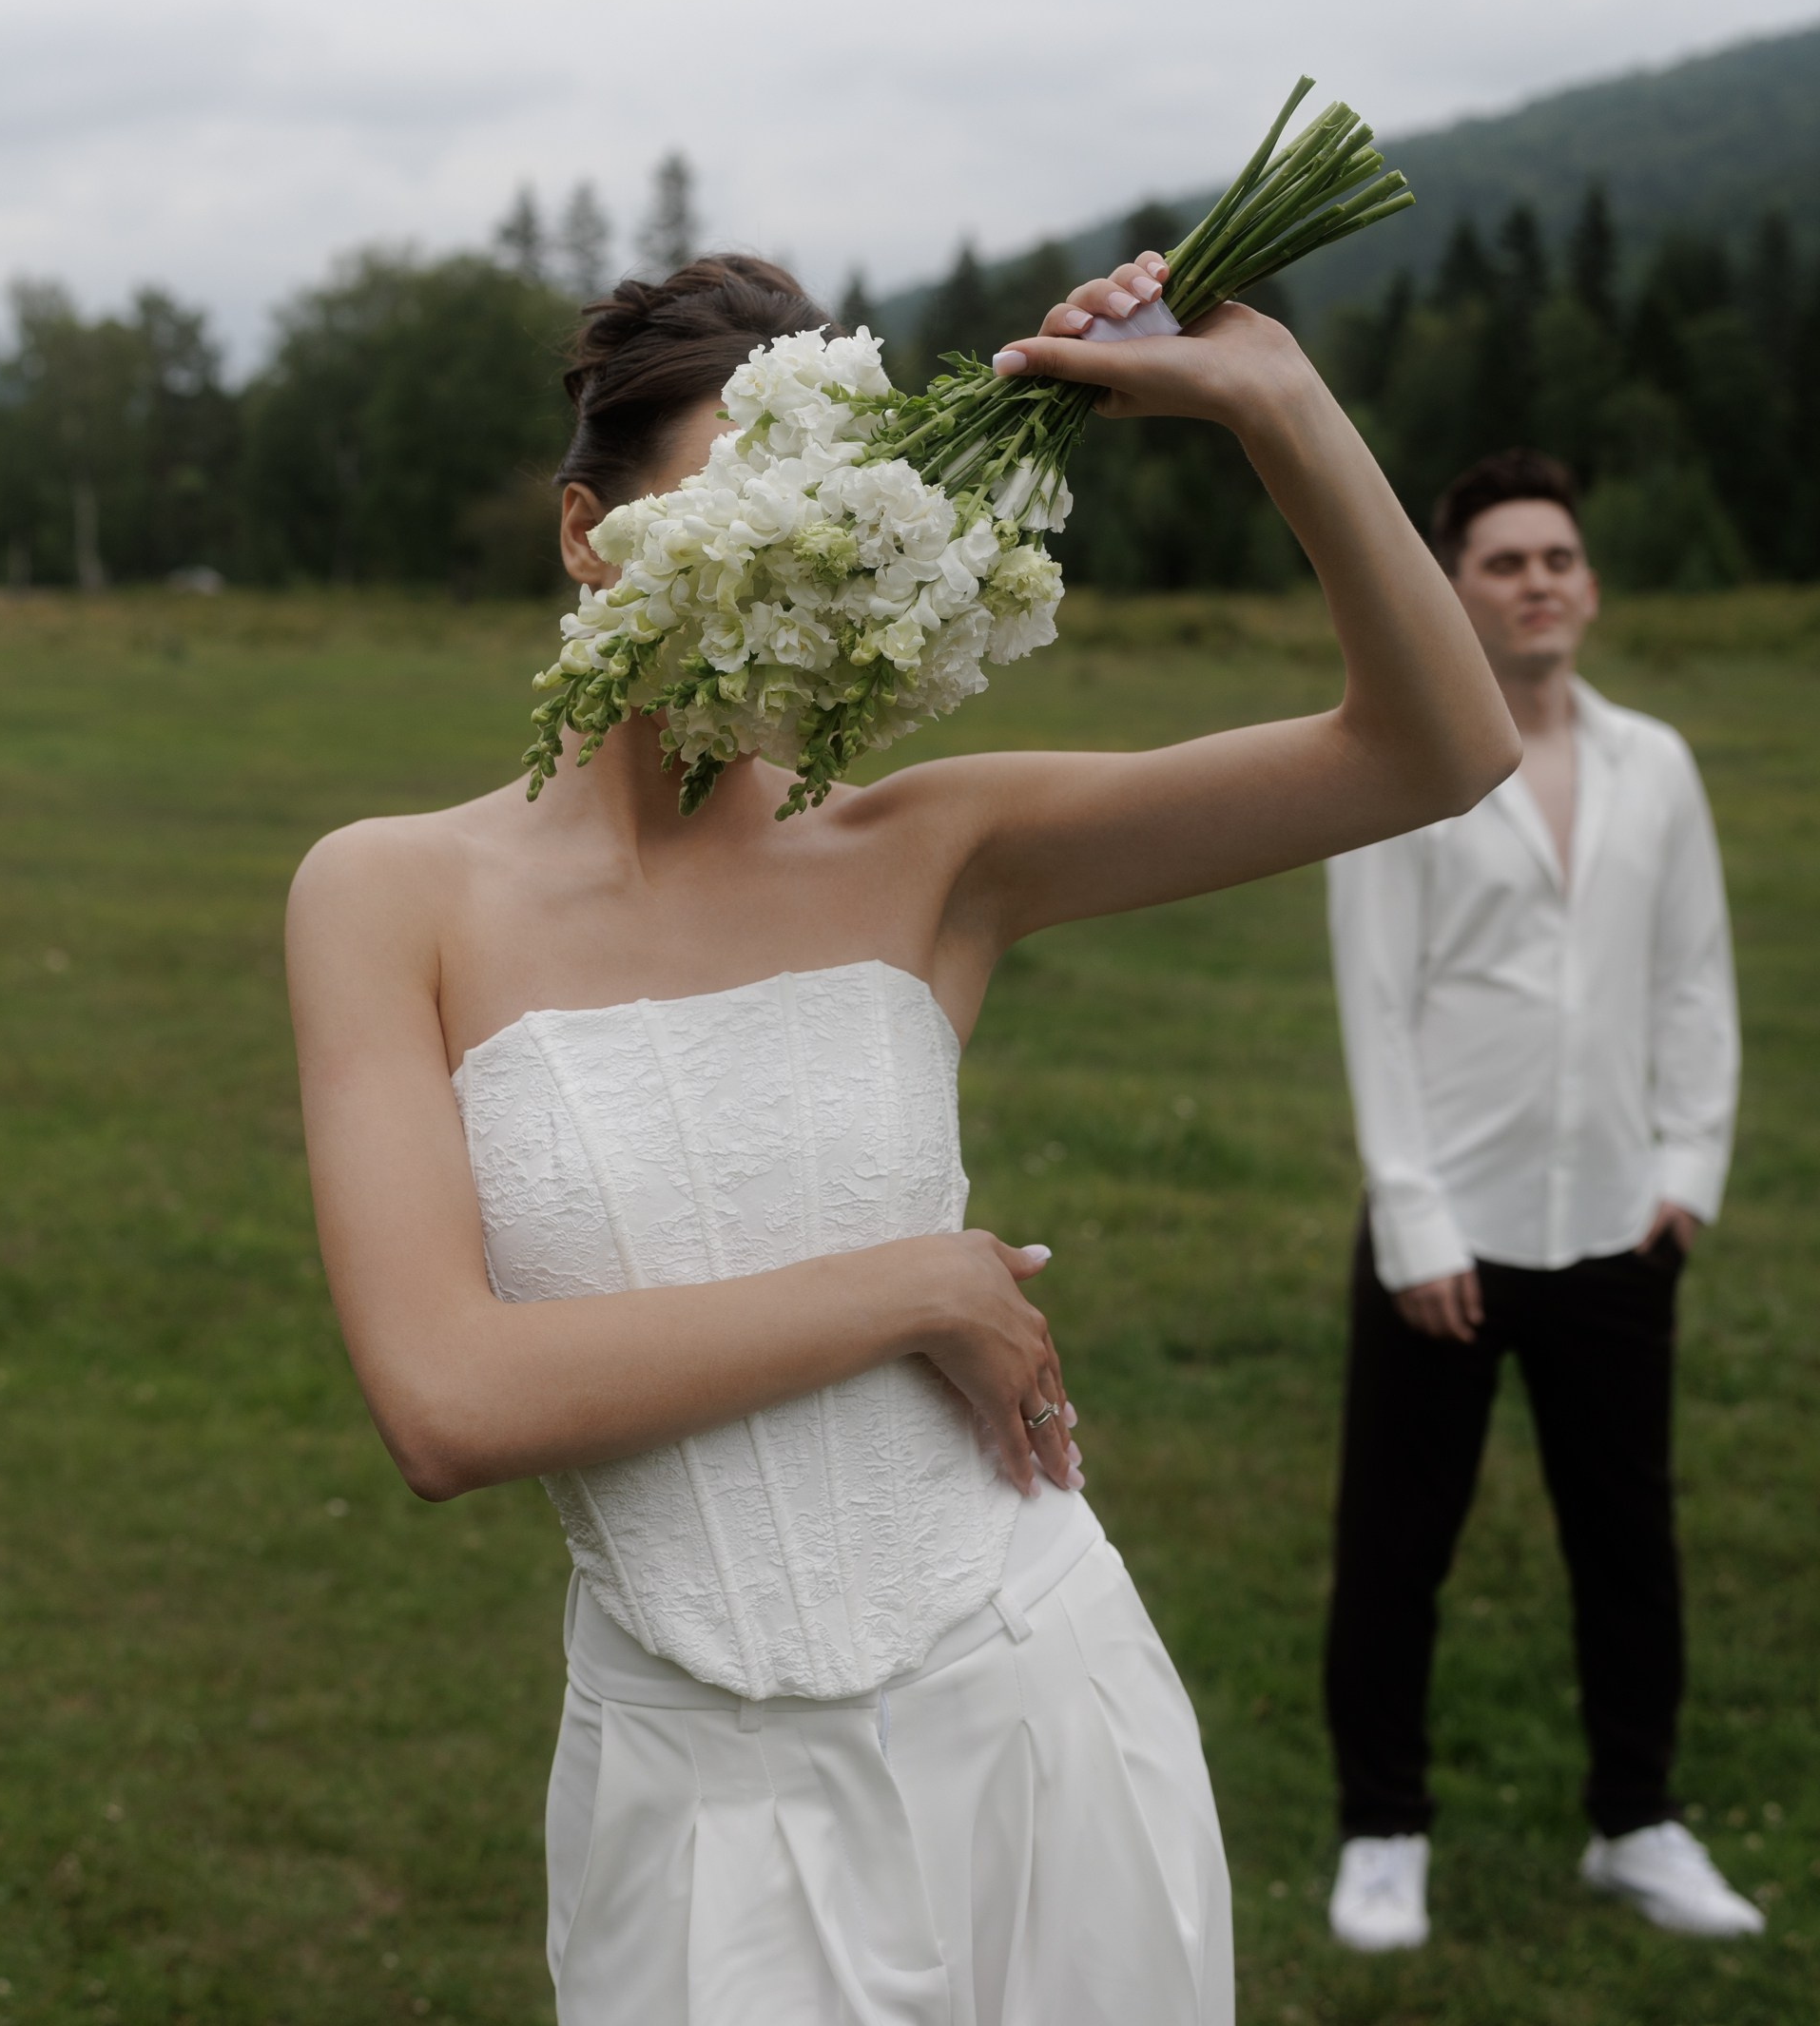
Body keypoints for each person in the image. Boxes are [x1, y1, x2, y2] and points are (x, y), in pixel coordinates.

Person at [287, 249, 1516, 2026]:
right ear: (585, 537)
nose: (793, 571)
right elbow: (447, 1404)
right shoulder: (387, 894)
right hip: (698, 1795)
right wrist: (911, 1290)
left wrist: (1277, 404)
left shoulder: (933, 845)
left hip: (1038, 1708)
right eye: (741, 512)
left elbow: (1435, 748)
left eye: (836, 531)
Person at [1322, 445, 1761, 1955]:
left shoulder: (1661, 765)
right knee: (1398, 1546)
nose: (1537, 583)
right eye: (1504, 562)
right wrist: (1413, 1220)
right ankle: (1383, 1831)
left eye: (1557, 558)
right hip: (1448, 1235)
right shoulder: (1409, 766)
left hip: (1618, 1227)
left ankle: (1636, 1823)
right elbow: (1373, 1006)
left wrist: (1688, 1173)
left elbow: (1694, 983)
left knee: (1627, 1542)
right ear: (1455, 587)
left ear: (1591, 581)